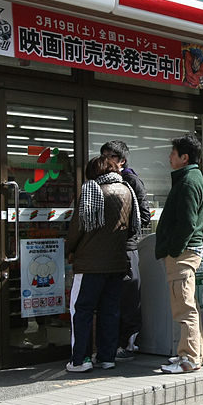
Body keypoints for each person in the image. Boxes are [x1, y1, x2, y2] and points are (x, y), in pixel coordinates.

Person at [65, 155, 134, 373]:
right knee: (109, 310)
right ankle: (107, 357)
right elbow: (132, 226)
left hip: (90, 264)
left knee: (81, 310)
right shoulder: (126, 190)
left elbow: (78, 227)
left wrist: (69, 250)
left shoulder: (91, 190)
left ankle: (80, 360)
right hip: (116, 262)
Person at [156, 134, 203, 374]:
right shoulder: (192, 177)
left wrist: (174, 249)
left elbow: (187, 224)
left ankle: (188, 358)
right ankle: (192, 354)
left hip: (183, 253)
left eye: (173, 153)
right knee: (189, 305)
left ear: (184, 157)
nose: (169, 157)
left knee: (184, 307)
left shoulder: (187, 181)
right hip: (188, 251)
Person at [100, 140, 149, 360]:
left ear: (122, 160)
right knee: (113, 297)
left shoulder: (130, 180)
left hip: (126, 248)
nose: (105, 160)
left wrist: (123, 230)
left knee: (127, 298)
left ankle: (126, 344)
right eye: (103, 155)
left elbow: (144, 216)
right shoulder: (103, 181)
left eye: (110, 156)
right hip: (111, 249)